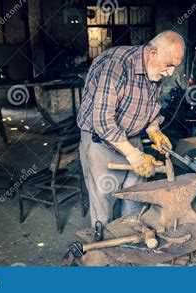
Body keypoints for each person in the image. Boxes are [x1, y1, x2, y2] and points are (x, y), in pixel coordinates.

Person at [77, 30, 185, 226]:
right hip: (101, 143)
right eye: (169, 65)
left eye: (174, 67)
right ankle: (103, 250)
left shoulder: (154, 71)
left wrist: (154, 129)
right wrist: (133, 156)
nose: (170, 73)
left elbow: (151, 106)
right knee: (104, 207)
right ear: (152, 53)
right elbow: (102, 121)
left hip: (131, 141)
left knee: (134, 202)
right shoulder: (115, 65)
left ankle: (132, 244)